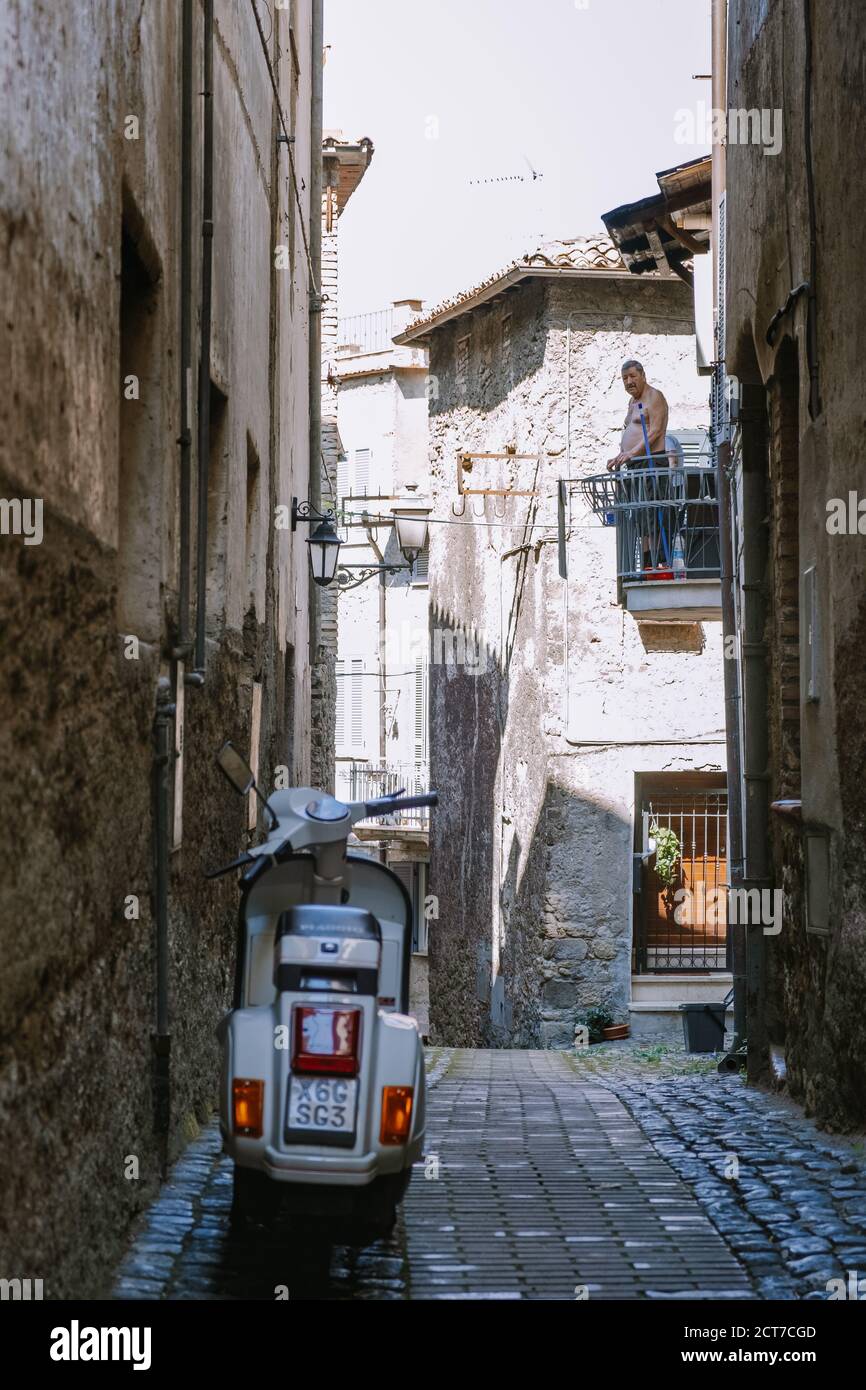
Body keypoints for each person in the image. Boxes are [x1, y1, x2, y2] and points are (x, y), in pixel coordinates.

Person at [607, 360, 670, 471]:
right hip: (634, 463)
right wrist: (619, 457)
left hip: (651, 462)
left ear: (643, 376)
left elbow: (656, 431)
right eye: (625, 378)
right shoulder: (632, 401)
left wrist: (631, 453)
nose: (629, 381)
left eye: (632, 376)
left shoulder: (654, 396)